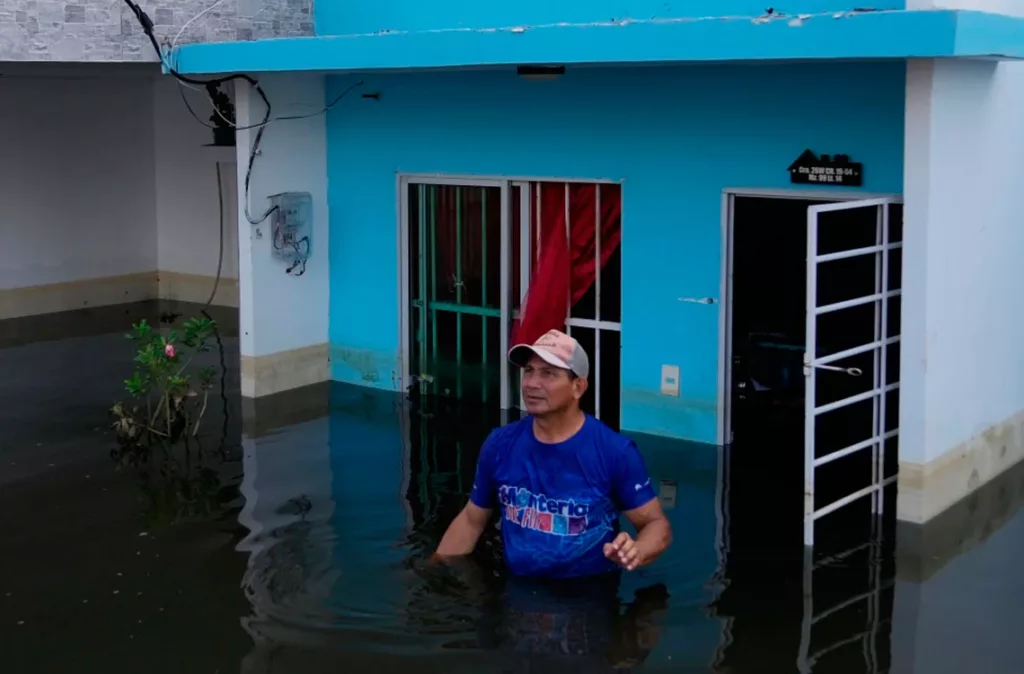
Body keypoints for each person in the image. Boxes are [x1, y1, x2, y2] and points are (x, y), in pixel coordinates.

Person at [435, 329, 672, 578]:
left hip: (589, 592)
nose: (531, 383)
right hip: (514, 588)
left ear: (578, 387)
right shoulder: (499, 444)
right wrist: (433, 569)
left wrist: (638, 549)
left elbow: (655, 523)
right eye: (529, 371)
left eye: (548, 373)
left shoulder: (614, 452)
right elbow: (472, 520)